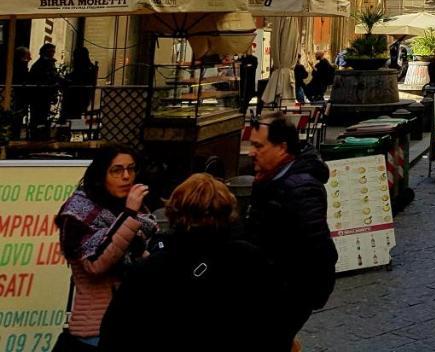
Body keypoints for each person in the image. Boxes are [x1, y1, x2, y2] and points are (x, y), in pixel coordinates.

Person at [98, 173, 275, 352]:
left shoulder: (151, 269)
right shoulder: (250, 260)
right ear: (228, 211)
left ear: (174, 212)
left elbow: (115, 335)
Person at [245, 113, 338, 347]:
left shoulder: (301, 188)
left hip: (286, 295)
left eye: (258, 146)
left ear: (282, 147)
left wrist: (297, 295)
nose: (250, 152)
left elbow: (321, 251)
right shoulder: (272, 178)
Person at [55, 145, 158, 347]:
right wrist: (128, 215)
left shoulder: (136, 211)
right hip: (96, 329)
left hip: (132, 323)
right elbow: (95, 264)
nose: (126, 176)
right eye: (117, 170)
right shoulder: (79, 212)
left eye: (131, 168)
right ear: (101, 174)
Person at [27, 42, 59, 134]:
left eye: (53, 51)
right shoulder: (45, 63)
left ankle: (37, 132)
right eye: (51, 51)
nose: (53, 53)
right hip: (41, 95)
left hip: (41, 95)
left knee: (39, 116)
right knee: (40, 116)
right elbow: (53, 77)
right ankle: (38, 133)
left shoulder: (42, 63)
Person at [238, 44, 258, 115]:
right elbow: (240, 66)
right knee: (243, 95)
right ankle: (243, 108)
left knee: (247, 95)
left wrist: (246, 66)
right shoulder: (242, 59)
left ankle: (244, 109)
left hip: (249, 81)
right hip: (242, 81)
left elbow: (253, 67)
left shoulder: (254, 59)